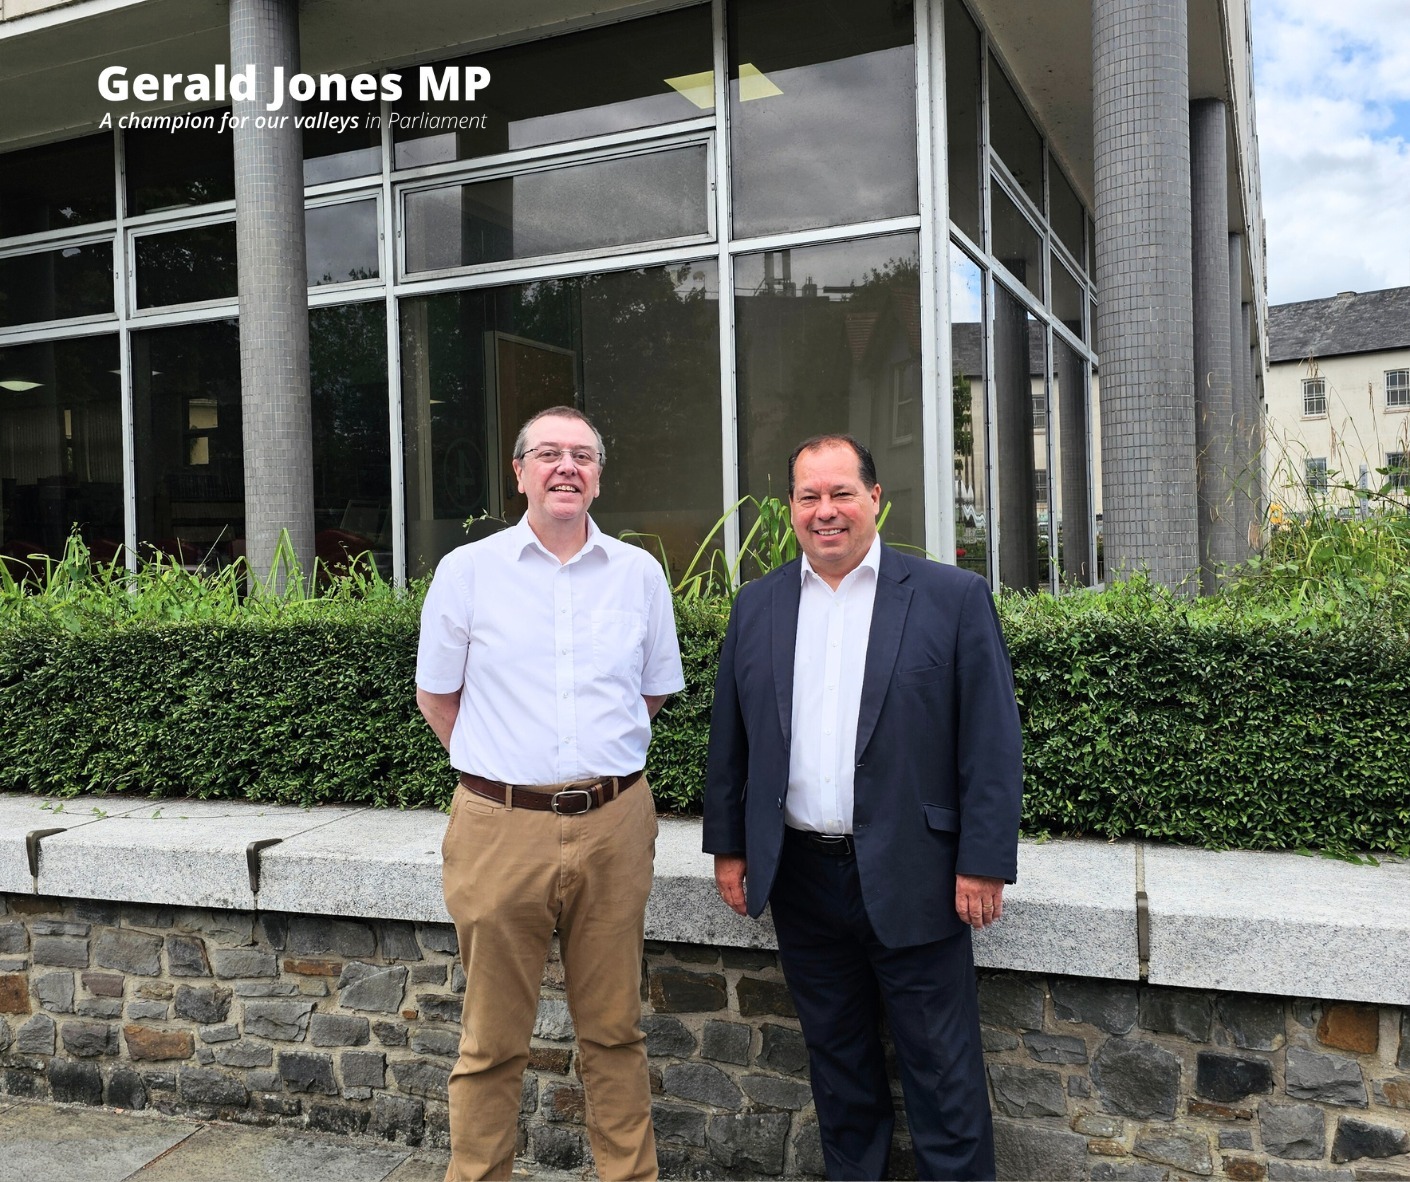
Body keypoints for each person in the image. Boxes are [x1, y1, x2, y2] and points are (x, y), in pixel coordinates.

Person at [703, 433, 1022, 1181]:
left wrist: (983, 861)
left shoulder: (951, 597)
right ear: (791, 510)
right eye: (809, 497)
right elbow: (732, 739)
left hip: (918, 873)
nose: (826, 512)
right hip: (802, 881)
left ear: (876, 499)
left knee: (944, 1079)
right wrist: (731, 846)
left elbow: (991, 741)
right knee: (839, 1074)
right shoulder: (758, 605)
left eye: (842, 493)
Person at [416, 406, 684, 1182]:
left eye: (582, 456)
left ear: (599, 476)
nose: (566, 467)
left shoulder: (638, 573)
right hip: (500, 827)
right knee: (491, 1040)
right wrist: (507, 770)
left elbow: (651, 693)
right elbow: (440, 698)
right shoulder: (468, 571)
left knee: (614, 1032)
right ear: (520, 472)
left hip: (615, 824)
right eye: (549, 454)